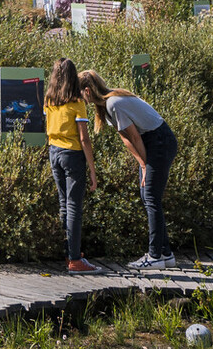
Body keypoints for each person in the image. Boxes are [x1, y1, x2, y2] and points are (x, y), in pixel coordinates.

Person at [80, 70, 179, 270]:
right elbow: (126, 138)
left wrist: (144, 165)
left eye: (79, 92)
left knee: (150, 196)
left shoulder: (113, 103)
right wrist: (142, 163)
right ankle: (166, 253)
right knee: (147, 195)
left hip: (159, 140)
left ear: (87, 91)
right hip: (152, 142)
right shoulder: (106, 106)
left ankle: (155, 256)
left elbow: (134, 137)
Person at [44, 57, 101, 273]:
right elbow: (84, 139)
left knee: (63, 204)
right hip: (72, 155)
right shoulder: (77, 103)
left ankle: (70, 254)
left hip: (54, 152)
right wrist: (92, 171)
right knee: (74, 206)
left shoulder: (49, 101)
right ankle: (76, 260)